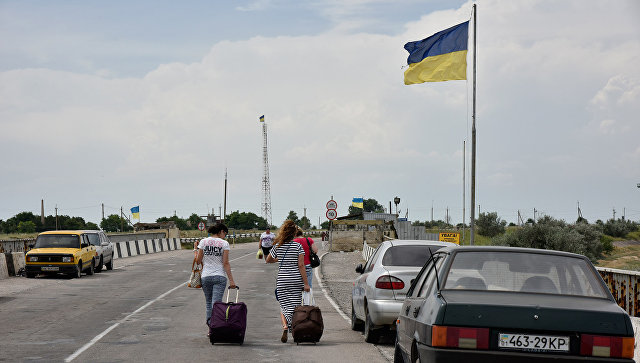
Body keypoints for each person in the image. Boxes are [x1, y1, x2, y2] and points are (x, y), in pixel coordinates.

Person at [265, 220, 310, 343]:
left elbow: (268, 260)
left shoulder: (278, 245)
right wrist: (306, 283)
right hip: (296, 280)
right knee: (295, 306)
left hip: (283, 280)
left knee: (284, 306)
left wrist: (278, 260)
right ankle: (296, 328)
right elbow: (301, 265)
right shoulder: (298, 246)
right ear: (294, 233)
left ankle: (285, 326)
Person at [195, 223, 236, 332]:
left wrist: (195, 249)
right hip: (219, 277)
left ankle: (210, 329)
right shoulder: (224, 244)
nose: (225, 236)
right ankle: (215, 328)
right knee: (216, 304)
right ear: (221, 231)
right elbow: (225, 263)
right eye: (225, 234)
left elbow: (198, 261)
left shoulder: (203, 242)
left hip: (206, 276)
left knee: (209, 304)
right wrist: (232, 281)